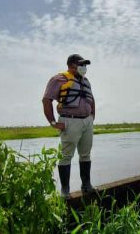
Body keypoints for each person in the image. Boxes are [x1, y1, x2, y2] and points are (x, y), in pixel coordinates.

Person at [42, 54, 95, 198]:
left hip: (87, 122)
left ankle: (86, 185)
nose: (84, 67)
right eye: (81, 64)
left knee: (86, 154)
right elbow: (46, 100)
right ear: (72, 65)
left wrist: (92, 117)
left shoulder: (86, 81)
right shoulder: (58, 79)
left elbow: (91, 100)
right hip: (69, 121)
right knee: (66, 156)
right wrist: (53, 122)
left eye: (85, 65)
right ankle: (65, 190)